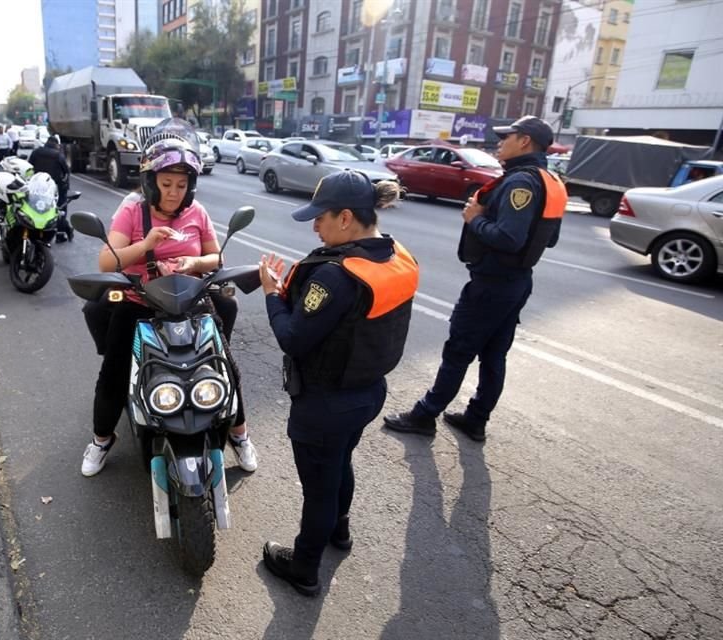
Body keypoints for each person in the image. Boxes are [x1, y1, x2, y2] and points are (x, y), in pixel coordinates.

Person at [256, 170, 419, 597]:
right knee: (340, 463)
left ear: (345, 217)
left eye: (320, 217)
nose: (314, 226)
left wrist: (272, 294)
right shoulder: (395, 255)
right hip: (368, 393)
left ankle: (305, 568)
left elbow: (292, 337)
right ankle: (339, 532)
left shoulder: (334, 277)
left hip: (325, 404)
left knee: (318, 487)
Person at [80, 137, 258, 477]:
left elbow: (216, 258)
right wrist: (145, 246)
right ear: (150, 182)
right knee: (114, 374)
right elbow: (107, 261)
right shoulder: (132, 210)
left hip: (191, 301)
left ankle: (239, 434)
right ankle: (102, 439)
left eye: (182, 184)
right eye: (166, 184)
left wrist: (193, 263)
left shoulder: (197, 212)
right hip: (140, 302)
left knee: (225, 368)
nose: (175, 192)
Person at [384, 115, 566, 443]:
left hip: (492, 284)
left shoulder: (520, 183)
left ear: (525, 141)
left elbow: (509, 237)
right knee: (494, 355)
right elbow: (548, 239)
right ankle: (476, 419)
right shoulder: (549, 180)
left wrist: (475, 219)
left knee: (458, 351)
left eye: (506, 137)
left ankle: (425, 415)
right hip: (518, 281)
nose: (500, 142)